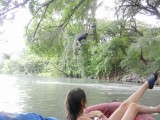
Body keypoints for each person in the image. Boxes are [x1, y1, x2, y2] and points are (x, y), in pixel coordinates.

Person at [65, 71, 160, 120]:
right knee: (133, 107)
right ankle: (156, 109)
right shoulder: (82, 118)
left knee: (125, 105)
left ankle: (147, 84)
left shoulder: (75, 116)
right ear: (82, 102)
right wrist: (99, 114)